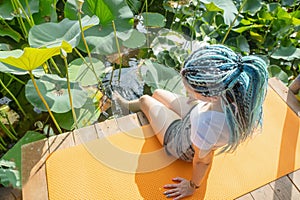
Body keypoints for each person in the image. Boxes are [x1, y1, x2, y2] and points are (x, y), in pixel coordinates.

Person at [113, 44, 268, 199]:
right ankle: (154, 106)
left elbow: (202, 161)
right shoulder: (244, 94)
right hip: (199, 113)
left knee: (145, 100)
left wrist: (192, 186)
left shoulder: (205, 123)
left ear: (211, 96)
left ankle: (125, 104)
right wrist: (196, 99)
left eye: (190, 91)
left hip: (183, 142)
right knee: (158, 93)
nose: (187, 92)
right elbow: (206, 107)